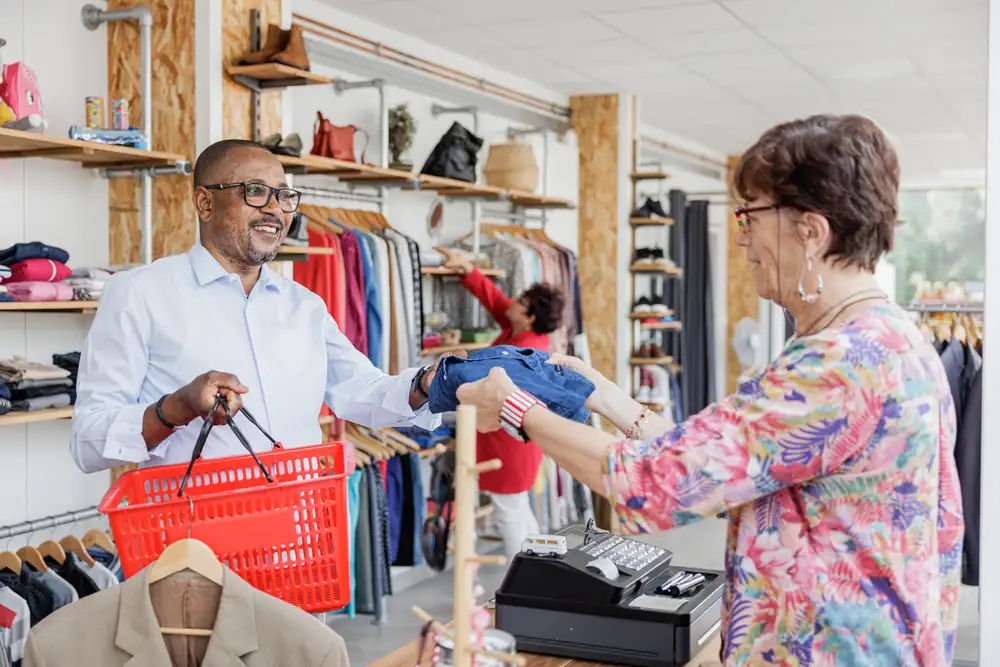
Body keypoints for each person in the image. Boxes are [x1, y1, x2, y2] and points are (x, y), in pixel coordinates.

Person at [455, 115, 963, 665]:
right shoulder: (892, 338)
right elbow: (726, 465)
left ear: (811, 231)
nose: (742, 238)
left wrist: (513, 405)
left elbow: (653, 484)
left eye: (751, 215)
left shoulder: (836, 364)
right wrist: (601, 393)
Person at [70, 139, 441, 473]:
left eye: (283, 196)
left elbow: (364, 391)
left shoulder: (304, 307)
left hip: (299, 539)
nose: (275, 210)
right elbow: (88, 442)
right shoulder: (140, 294)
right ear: (204, 202)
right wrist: (178, 407)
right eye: (256, 192)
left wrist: (429, 383)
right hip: (192, 542)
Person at [436, 246, 565, 560]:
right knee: (517, 508)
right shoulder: (519, 330)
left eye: (520, 302)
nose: (513, 301)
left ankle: (517, 581)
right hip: (513, 442)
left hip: (509, 444)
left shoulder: (525, 351)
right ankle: (538, 571)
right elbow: (495, 300)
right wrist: (467, 268)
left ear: (530, 316)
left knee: (509, 512)